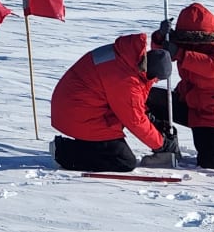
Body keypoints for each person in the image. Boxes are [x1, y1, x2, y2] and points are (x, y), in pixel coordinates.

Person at [50, 32, 179, 172]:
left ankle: (88, 146)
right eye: (156, 80)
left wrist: (152, 121)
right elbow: (135, 120)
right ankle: (63, 151)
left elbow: (135, 104)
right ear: (152, 73)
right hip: (77, 114)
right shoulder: (126, 81)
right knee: (123, 161)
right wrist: (161, 144)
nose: (155, 82)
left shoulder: (129, 57)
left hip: (79, 104)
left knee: (115, 146)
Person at [148, 2, 214, 169]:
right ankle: (166, 146)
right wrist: (161, 37)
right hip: (188, 102)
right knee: (145, 97)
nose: (192, 44)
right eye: (188, 41)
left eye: (196, 41)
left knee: (213, 164)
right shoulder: (185, 38)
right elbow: (161, 56)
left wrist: (181, 52)